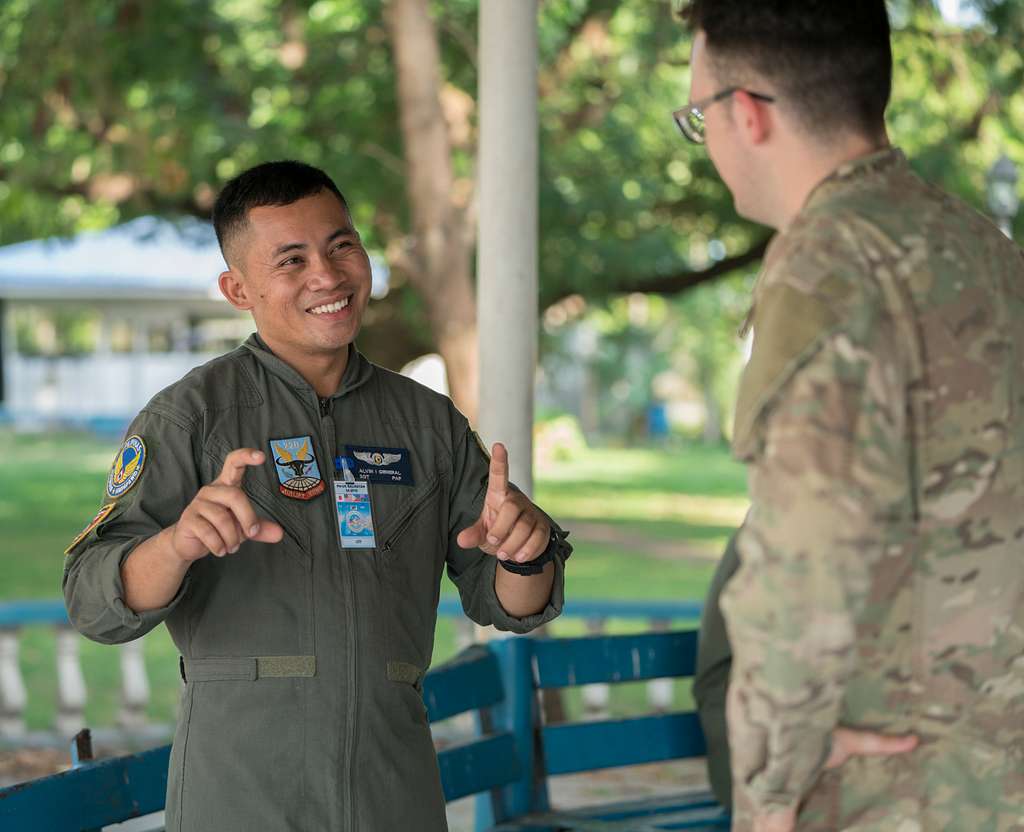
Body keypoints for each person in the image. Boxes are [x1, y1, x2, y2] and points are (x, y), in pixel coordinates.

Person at [62, 161, 572, 832]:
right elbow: (93, 601)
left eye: (341, 245)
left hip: (395, 793)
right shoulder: (191, 416)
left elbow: (510, 604)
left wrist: (525, 556)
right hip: (242, 797)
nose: (327, 277)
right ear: (236, 288)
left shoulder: (427, 423)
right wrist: (177, 543)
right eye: (291, 260)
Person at [678, 2, 1024, 830]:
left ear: (747, 114)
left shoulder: (826, 266)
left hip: (897, 789)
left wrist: (769, 788)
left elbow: (805, 569)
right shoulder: (985, 247)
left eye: (699, 116)